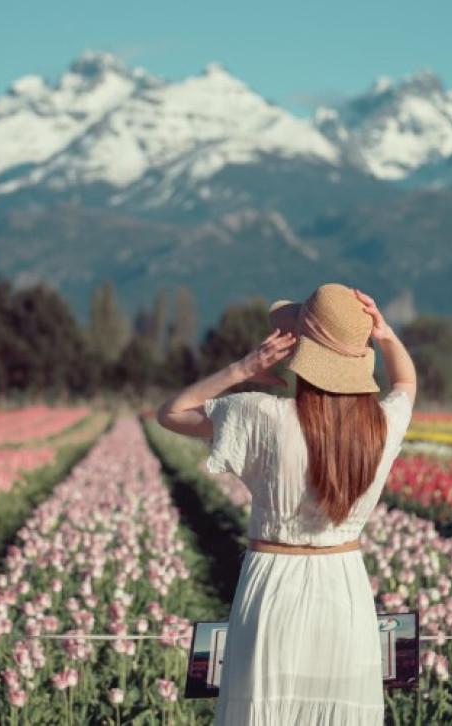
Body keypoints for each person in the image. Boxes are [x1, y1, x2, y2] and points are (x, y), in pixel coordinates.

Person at [157, 283, 416, 725]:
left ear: (302, 351)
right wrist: (385, 334)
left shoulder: (262, 415)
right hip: (345, 589)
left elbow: (173, 412)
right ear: (359, 357)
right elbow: (407, 382)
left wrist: (242, 369)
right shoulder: (381, 427)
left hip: (274, 586)